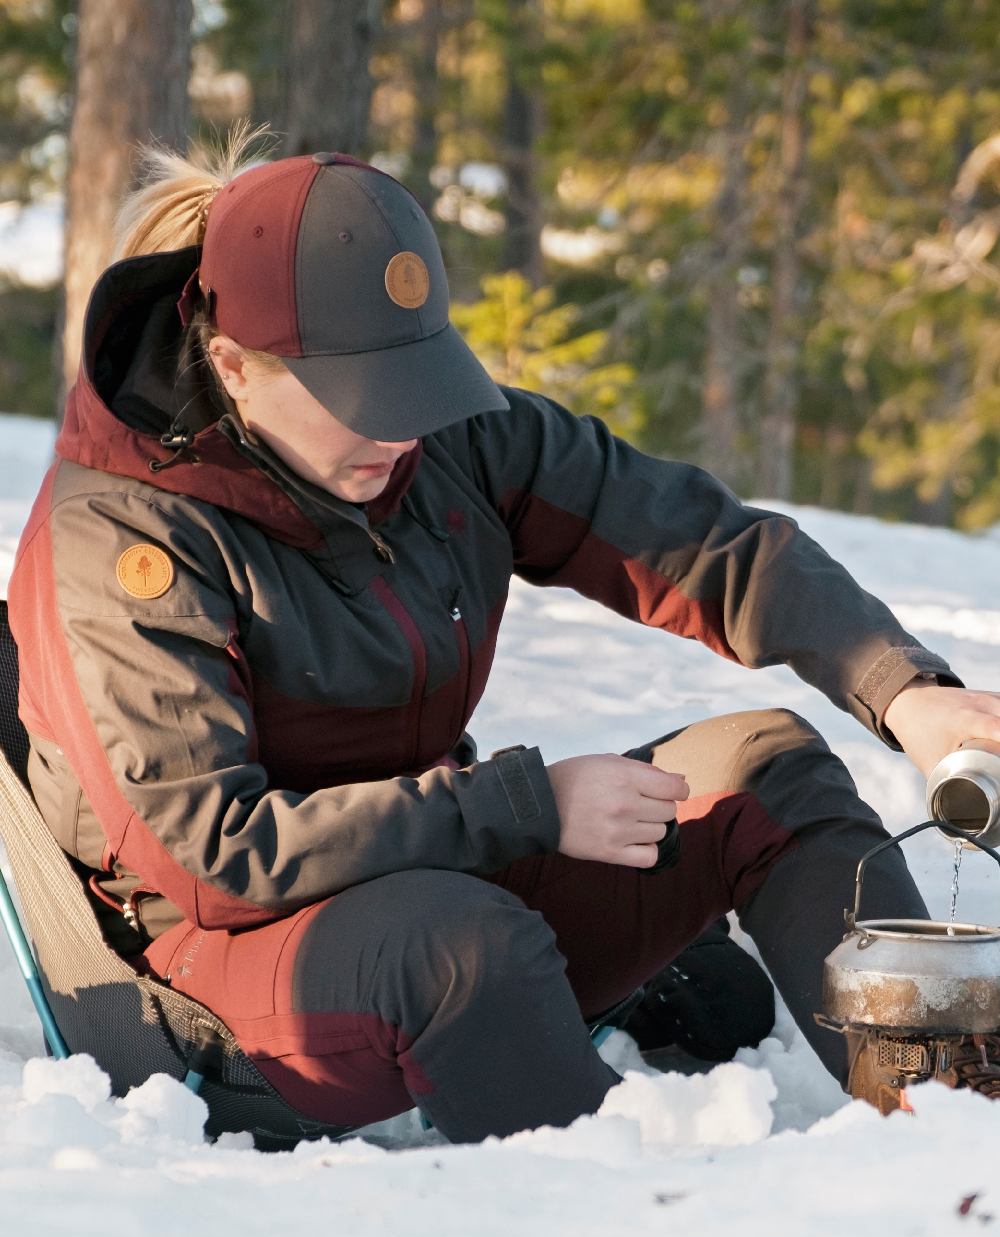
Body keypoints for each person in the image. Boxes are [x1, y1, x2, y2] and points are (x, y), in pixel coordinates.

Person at [10, 130, 1000, 1144]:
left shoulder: (438, 440)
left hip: (433, 876)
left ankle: (950, 1141)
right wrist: (522, 804)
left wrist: (903, 689)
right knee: (464, 948)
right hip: (218, 980)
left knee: (770, 771)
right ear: (233, 366)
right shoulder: (123, 538)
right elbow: (219, 858)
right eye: (357, 399)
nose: (397, 432)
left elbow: (703, 544)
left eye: (412, 384)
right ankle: (644, 1208)